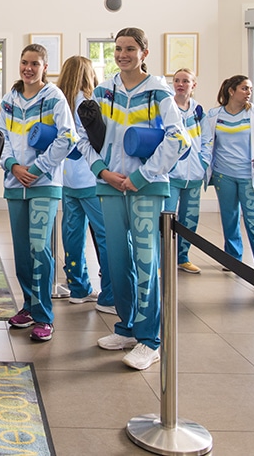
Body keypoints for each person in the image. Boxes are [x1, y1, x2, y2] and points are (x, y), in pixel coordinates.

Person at [76, 27, 188, 371]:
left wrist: (142, 175)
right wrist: (103, 171)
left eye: (130, 49)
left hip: (146, 187)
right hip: (109, 184)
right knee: (117, 260)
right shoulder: (102, 91)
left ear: (144, 53)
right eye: (118, 49)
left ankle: (149, 339)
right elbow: (82, 137)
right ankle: (126, 328)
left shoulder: (158, 93)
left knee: (145, 259)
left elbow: (178, 139)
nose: (123, 54)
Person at [0, 43, 75, 343]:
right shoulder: (9, 99)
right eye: (24, 63)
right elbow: (1, 136)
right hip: (15, 183)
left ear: (45, 67)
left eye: (35, 64)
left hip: (44, 183)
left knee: (38, 246)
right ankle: (29, 306)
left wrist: (39, 168)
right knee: (21, 250)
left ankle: (44, 316)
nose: (28, 68)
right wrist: (13, 166)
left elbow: (68, 137)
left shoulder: (54, 97)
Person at [57, 55, 114, 314]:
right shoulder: (87, 102)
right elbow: (95, 139)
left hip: (67, 177)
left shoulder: (58, 102)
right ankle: (110, 293)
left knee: (73, 234)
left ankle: (78, 288)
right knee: (105, 234)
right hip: (90, 177)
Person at [200, 75, 254, 275]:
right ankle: (232, 260)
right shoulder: (214, 115)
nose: (249, 92)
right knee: (229, 219)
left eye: (250, 89)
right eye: (244, 88)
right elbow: (206, 142)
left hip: (250, 176)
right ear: (231, 91)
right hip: (224, 175)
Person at [165, 68, 207, 274]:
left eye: (185, 81)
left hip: (195, 175)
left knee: (190, 219)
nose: (180, 84)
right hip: (172, 175)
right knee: (166, 218)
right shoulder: (167, 106)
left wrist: (204, 162)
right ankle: (164, 258)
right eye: (177, 80)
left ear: (193, 85)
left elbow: (207, 140)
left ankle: (183, 257)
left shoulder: (198, 110)